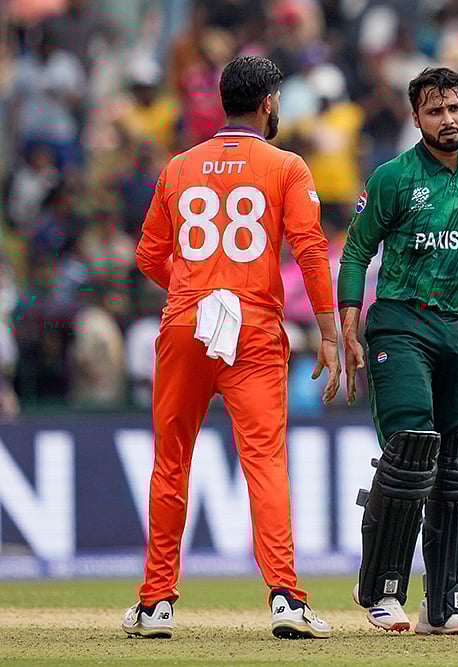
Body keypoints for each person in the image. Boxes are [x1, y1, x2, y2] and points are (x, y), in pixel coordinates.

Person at [126, 55, 340, 640]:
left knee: (172, 460)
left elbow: (147, 255)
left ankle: (155, 605)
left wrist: (197, 290)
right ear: (270, 102)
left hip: (187, 319)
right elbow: (310, 248)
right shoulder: (286, 165)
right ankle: (286, 600)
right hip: (254, 325)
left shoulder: (178, 166)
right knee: (264, 461)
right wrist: (328, 330)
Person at [338, 67, 458, 636]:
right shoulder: (394, 177)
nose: (448, 120)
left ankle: (445, 602)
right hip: (402, 325)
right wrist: (348, 324)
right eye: (435, 111)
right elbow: (355, 251)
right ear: (416, 118)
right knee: (412, 450)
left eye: (456, 108)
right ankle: (381, 590)